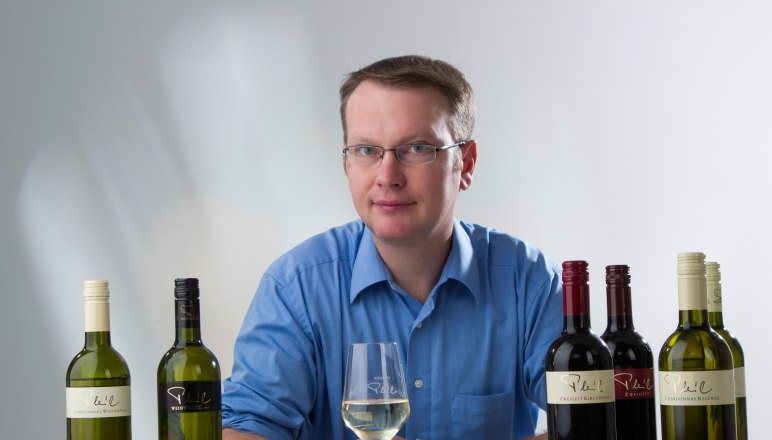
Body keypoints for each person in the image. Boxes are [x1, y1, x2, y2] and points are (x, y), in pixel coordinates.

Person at [221, 55, 562, 440]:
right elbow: (243, 429)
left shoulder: (530, 284)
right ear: (347, 163)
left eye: (416, 148)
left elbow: (594, 421)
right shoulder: (295, 288)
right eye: (366, 150)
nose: (388, 176)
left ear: (465, 164)